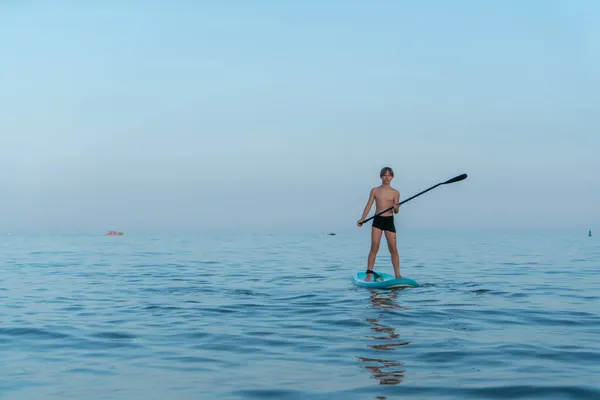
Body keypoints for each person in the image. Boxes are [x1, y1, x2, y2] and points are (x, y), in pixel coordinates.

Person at [357, 167, 401, 281]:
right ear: (381, 176)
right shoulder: (375, 190)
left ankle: (398, 274)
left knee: (393, 249)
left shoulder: (396, 193)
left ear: (392, 177)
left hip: (389, 221)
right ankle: (369, 274)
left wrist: (396, 208)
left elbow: (396, 211)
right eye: (385, 175)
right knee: (374, 247)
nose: (387, 177)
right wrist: (362, 218)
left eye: (389, 175)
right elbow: (369, 205)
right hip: (377, 220)